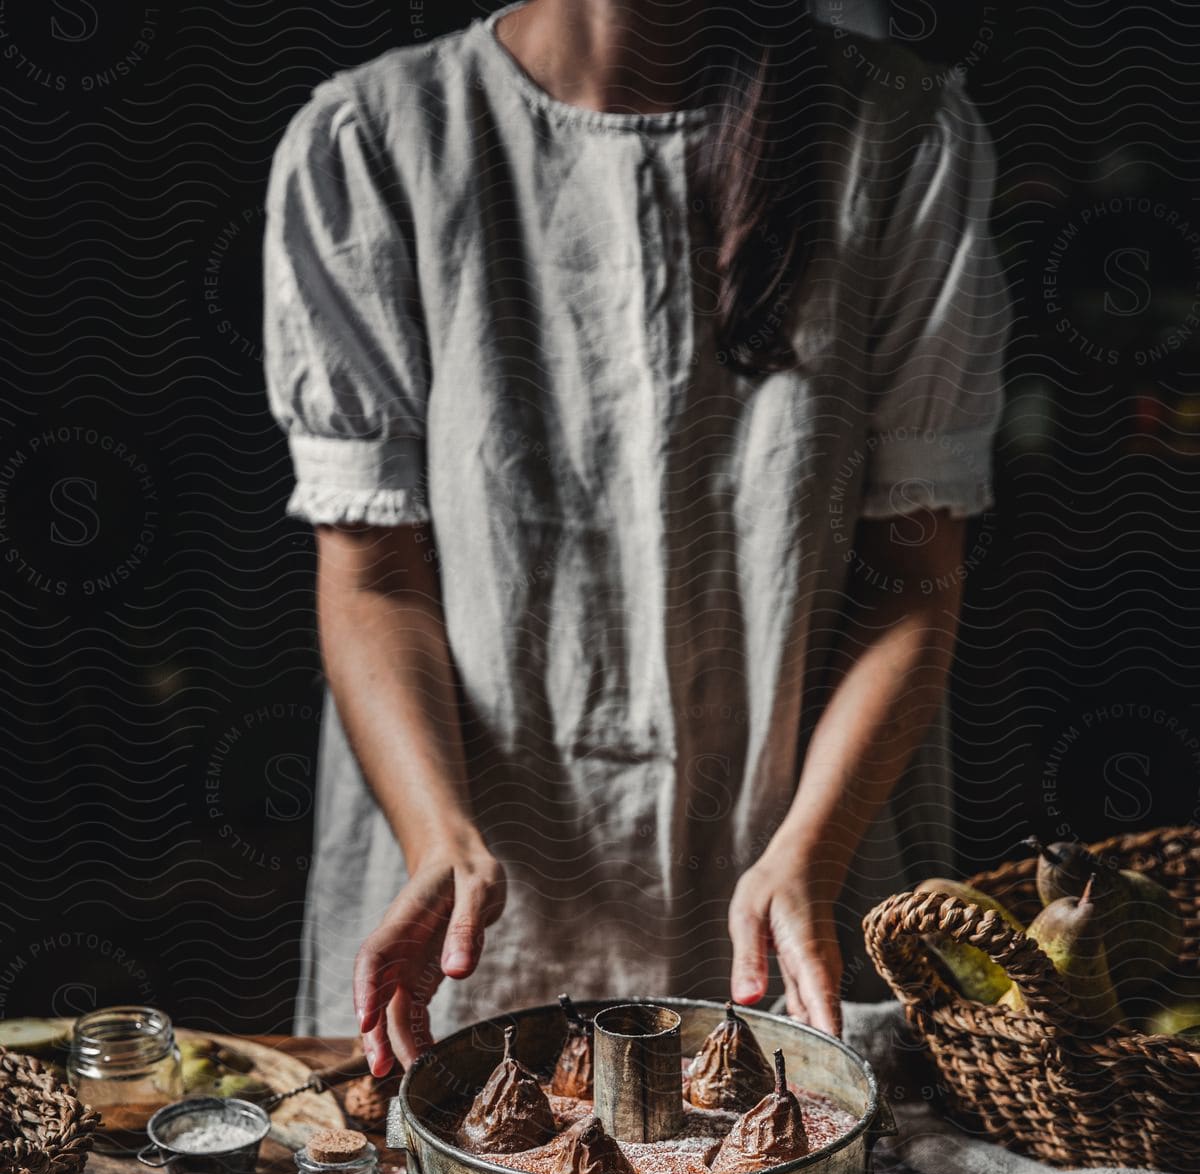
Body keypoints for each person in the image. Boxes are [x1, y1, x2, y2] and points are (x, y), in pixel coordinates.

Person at [264, 0, 1009, 1077]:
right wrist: (439, 838)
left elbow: (913, 578)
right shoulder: (374, 141)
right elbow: (374, 575)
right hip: (474, 893)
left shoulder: (902, 134)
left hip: (797, 853)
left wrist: (810, 850)